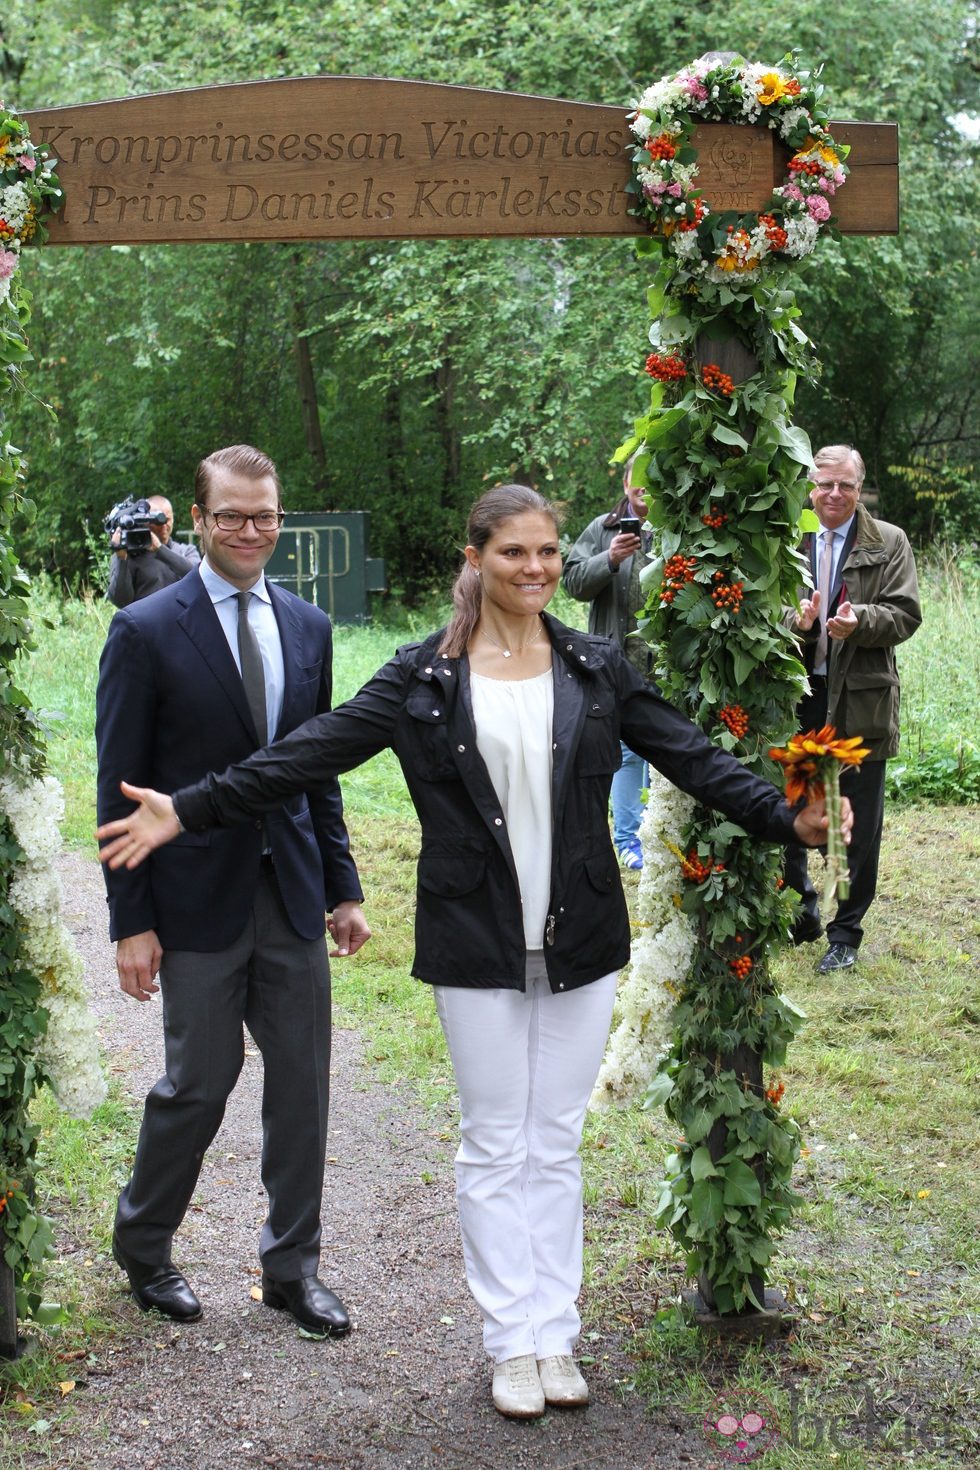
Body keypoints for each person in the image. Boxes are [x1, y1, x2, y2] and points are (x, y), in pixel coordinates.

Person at [97, 484, 848, 1419]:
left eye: (545, 553)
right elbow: (308, 754)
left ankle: (555, 1334)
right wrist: (188, 806)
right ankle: (510, 1343)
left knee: (557, 1140)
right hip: (474, 936)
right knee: (496, 1142)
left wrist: (787, 818)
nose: (534, 569)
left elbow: (694, 757)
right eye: (513, 554)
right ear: (474, 559)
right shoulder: (422, 679)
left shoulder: (597, 665)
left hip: (580, 936)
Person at [96, 444, 370, 1334]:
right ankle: (143, 1245)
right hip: (193, 898)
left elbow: (318, 771)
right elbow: (119, 790)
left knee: (302, 1084)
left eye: (265, 516)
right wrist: (129, 921)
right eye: (231, 517)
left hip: (288, 891)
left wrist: (343, 886)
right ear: (200, 522)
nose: (250, 531)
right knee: (198, 1084)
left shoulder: (308, 625)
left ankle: (292, 1268)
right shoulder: (144, 629)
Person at [784, 444, 921, 974]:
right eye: (824, 484)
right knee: (794, 803)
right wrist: (793, 623)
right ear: (811, 487)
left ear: (859, 489)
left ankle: (846, 934)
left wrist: (857, 621)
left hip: (860, 698)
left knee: (857, 820)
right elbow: (766, 610)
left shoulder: (888, 541)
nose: (833, 494)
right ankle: (803, 911)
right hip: (801, 697)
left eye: (845, 485)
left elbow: (905, 614)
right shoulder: (789, 539)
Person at [562, 456, 654, 869]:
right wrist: (610, 559)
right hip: (614, 662)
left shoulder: (683, 530)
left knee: (665, 754)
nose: (645, 486)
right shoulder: (603, 529)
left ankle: (662, 837)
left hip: (666, 664)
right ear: (626, 482)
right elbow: (572, 582)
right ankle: (628, 839)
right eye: (639, 478)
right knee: (627, 754)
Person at [106, 493, 200, 607]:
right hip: (144, 623)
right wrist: (121, 558)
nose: (164, 525)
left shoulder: (185, 551)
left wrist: (160, 549)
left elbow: (198, 578)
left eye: (168, 519)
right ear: (145, 521)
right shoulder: (129, 555)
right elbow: (121, 601)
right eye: (158, 521)